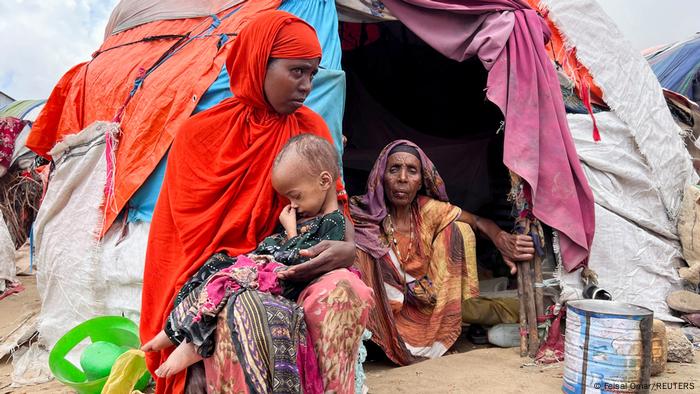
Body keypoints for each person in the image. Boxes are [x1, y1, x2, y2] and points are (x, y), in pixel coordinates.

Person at [140, 11, 373, 394]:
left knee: (345, 290)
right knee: (246, 310)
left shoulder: (310, 129)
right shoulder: (199, 134)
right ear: (258, 63)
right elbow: (183, 244)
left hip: (290, 264)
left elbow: (336, 204)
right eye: (296, 71)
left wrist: (346, 248)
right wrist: (241, 274)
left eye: (313, 74)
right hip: (217, 273)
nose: (306, 86)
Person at [142, 134, 347, 379]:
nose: (293, 205)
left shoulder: (334, 222)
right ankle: (174, 329)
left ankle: (194, 344)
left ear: (325, 181)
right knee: (214, 266)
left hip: (278, 279)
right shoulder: (308, 215)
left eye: (296, 196)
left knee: (228, 282)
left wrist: (290, 231)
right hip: (264, 266)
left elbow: (301, 261)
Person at [350, 140, 534, 366]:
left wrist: (501, 239)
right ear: (381, 176)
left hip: (427, 302)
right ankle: (382, 341)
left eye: (412, 171)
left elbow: (477, 221)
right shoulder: (363, 214)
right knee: (360, 248)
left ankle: (438, 334)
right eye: (394, 169)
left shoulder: (426, 209)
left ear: (420, 182)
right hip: (383, 313)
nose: (403, 179)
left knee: (459, 229)